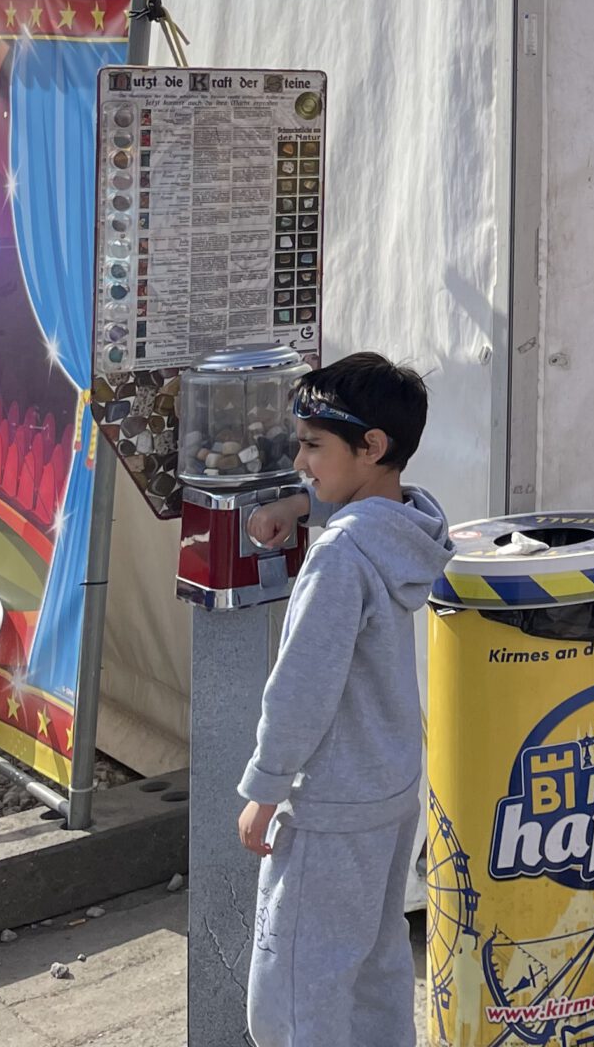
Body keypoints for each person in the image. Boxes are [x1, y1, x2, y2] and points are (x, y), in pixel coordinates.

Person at [235, 354, 452, 1047]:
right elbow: (367, 507)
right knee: (372, 966)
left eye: (312, 446)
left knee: (294, 991)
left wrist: (265, 788)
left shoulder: (339, 559)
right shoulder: (410, 530)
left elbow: (302, 685)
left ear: (372, 446)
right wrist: (302, 506)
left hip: (328, 803)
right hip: (388, 789)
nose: (300, 462)